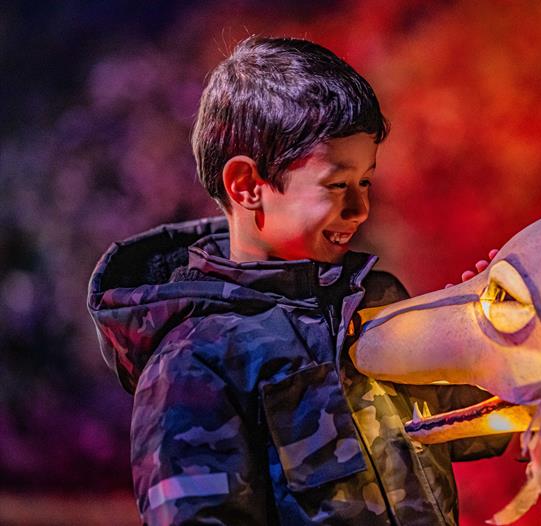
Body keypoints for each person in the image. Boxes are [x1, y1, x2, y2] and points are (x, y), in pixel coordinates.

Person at [87, 36, 506, 525]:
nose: (359, 208)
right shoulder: (196, 361)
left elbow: (482, 426)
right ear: (246, 185)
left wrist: (493, 328)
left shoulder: (378, 301)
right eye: (336, 184)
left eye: (366, 181)